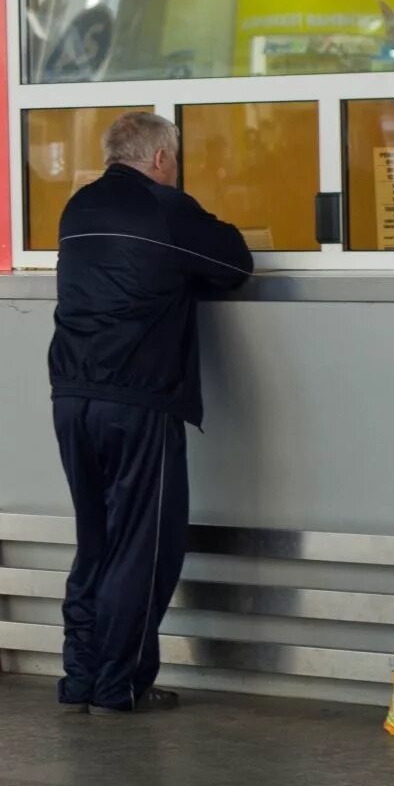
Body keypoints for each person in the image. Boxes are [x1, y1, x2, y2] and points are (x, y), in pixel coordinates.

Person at [49, 111, 253, 716]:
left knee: (97, 541)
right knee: (145, 547)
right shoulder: (167, 209)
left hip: (71, 398)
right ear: (161, 158)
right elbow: (237, 263)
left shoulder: (77, 208)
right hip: (137, 403)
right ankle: (120, 686)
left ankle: (80, 678)